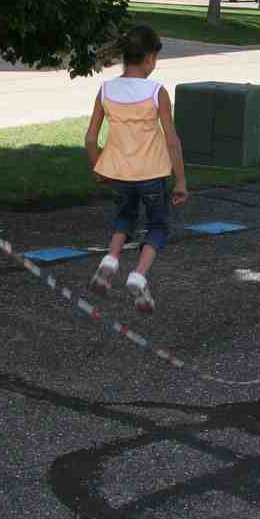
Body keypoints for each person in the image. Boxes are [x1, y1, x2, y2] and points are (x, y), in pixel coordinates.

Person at [84, 25, 188, 313]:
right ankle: (139, 274)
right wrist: (180, 180)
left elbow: (91, 137)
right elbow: (171, 141)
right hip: (153, 174)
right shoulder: (157, 92)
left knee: (124, 218)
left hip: (119, 174)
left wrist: (98, 167)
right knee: (157, 226)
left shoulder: (106, 89)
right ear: (150, 58)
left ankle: (111, 259)